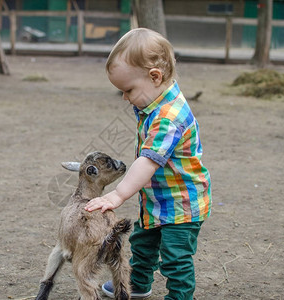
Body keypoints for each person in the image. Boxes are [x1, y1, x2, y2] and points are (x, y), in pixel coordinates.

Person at [84, 28, 212, 300]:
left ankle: (179, 296)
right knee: (143, 243)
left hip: (181, 204)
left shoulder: (168, 116)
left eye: (128, 90)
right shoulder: (154, 102)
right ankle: (139, 282)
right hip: (157, 198)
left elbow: (149, 160)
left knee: (175, 259)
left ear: (155, 76)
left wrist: (118, 194)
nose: (125, 97)